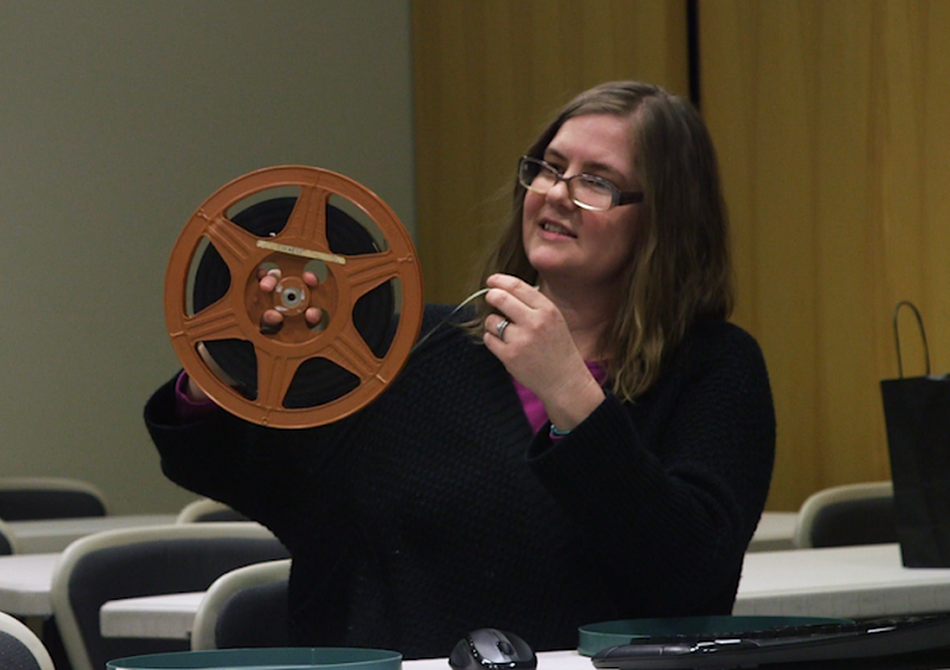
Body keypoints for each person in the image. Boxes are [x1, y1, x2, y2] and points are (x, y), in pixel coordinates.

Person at [145, 80, 776, 659]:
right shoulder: (411, 348)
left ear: (663, 217)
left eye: (597, 182)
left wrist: (569, 394)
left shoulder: (716, 368)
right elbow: (256, 471)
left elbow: (693, 575)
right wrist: (230, 361)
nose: (557, 193)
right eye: (550, 169)